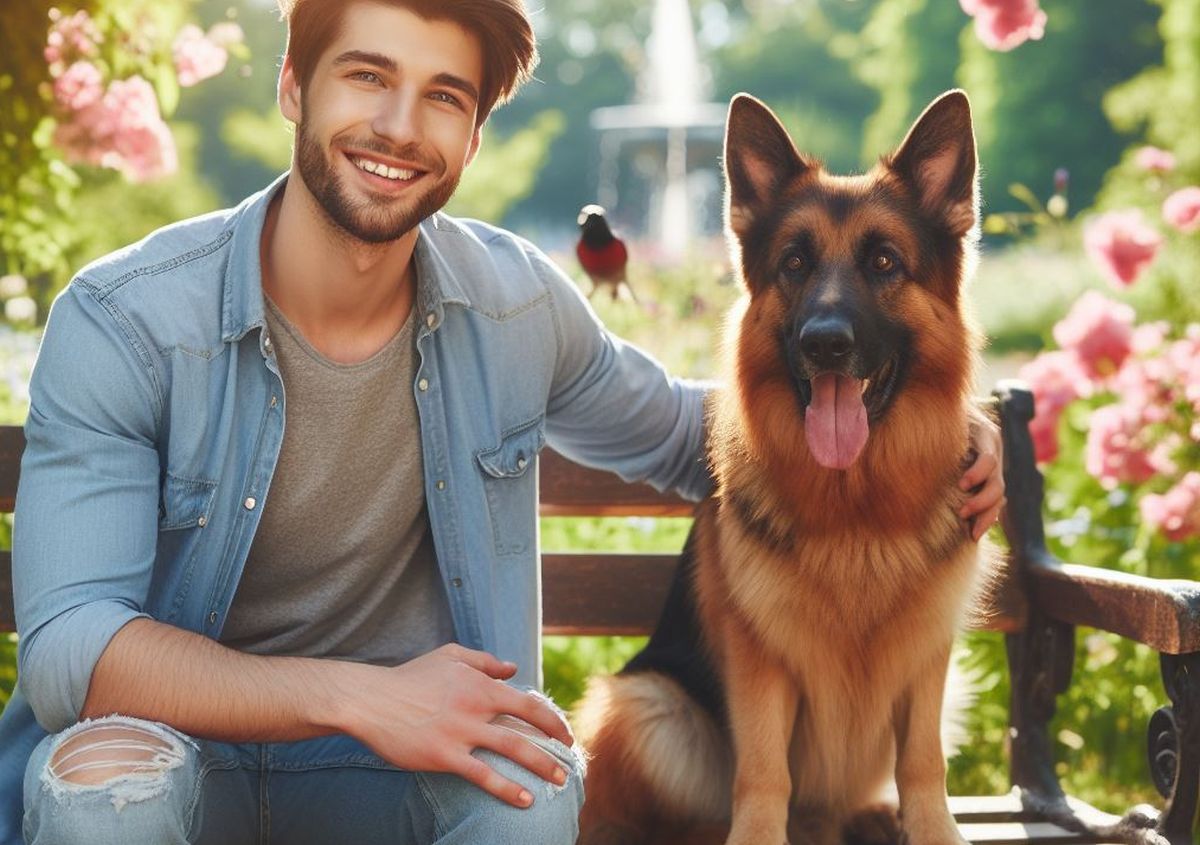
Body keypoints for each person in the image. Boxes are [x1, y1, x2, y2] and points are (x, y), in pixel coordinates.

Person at [0, 1, 1006, 843]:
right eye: (365, 77)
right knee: (107, 781)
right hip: (179, 760)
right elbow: (70, 652)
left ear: (472, 137)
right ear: (294, 89)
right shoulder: (125, 322)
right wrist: (358, 694)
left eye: (444, 96)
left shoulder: (516, 308)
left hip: (402, 772)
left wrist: (946, 431)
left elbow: (690, 431)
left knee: (531, 783)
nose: (400, 126)